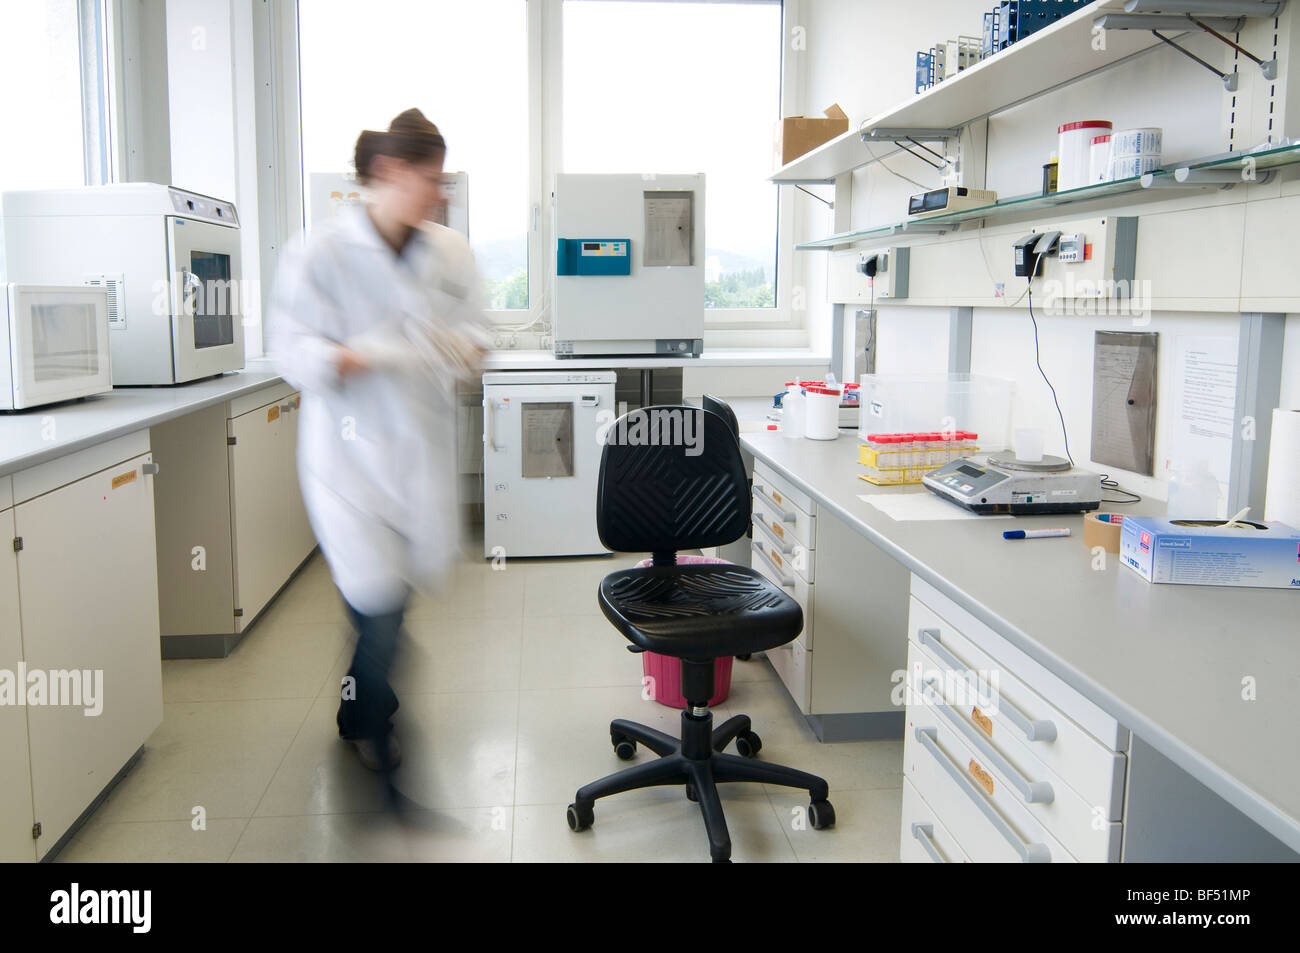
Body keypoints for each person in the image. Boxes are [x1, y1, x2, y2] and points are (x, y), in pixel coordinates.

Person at [271, 108, 488, 774]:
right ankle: (373, 720)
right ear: (390, 172)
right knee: (379, 605)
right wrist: (356, 355)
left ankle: (357, 703)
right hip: (348, 460)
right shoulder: (320, 252)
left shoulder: (448, 249)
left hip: (417, 455)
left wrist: (462, 346)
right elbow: (288, 347)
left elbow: (478, 330)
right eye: (431, 178)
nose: (440, 193)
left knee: (386, 600)